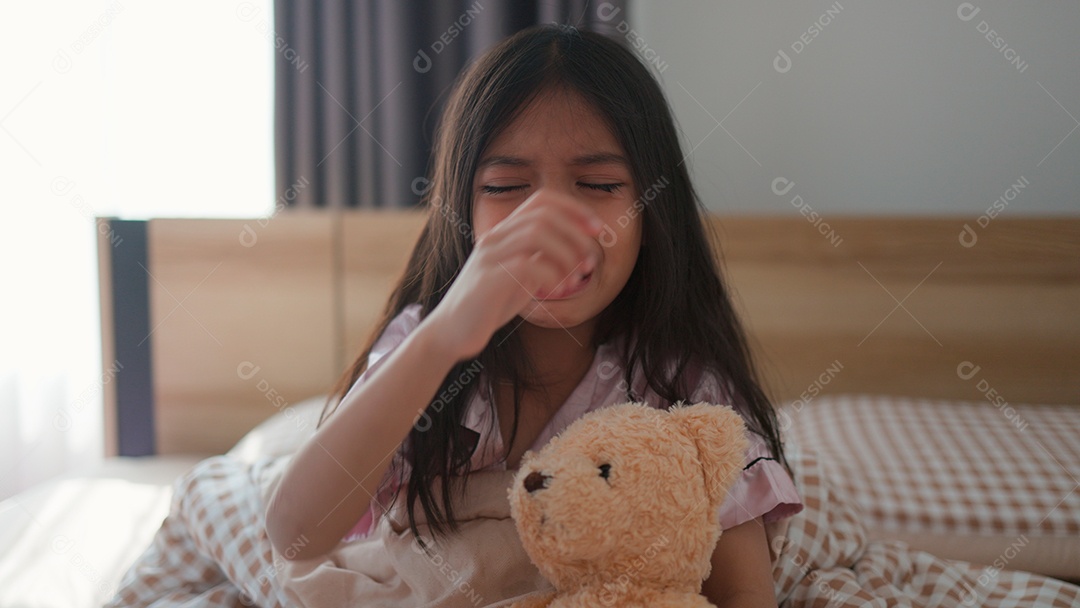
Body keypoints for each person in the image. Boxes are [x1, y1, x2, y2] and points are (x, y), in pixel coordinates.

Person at [266, 24, 801, 607]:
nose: (548, 220)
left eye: (597, 184)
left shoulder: (683, 387)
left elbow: (742, 596)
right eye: (506, 186)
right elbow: (295, 536)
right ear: (463, 216)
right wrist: (441, 338)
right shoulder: (423, 344)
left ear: (652, 213)